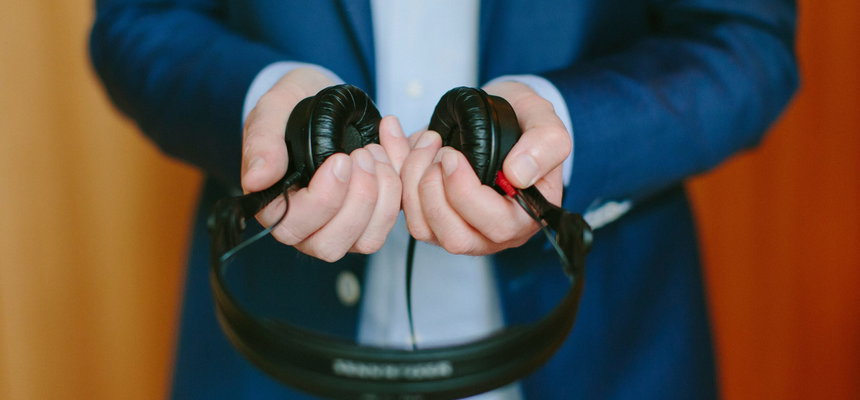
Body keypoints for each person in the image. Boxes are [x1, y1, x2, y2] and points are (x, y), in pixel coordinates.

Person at [90, 1, 798, 399]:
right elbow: (138, 21)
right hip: (270, 362)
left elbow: (745, 44)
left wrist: (565, 129)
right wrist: (258, 107)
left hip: (606, 359)